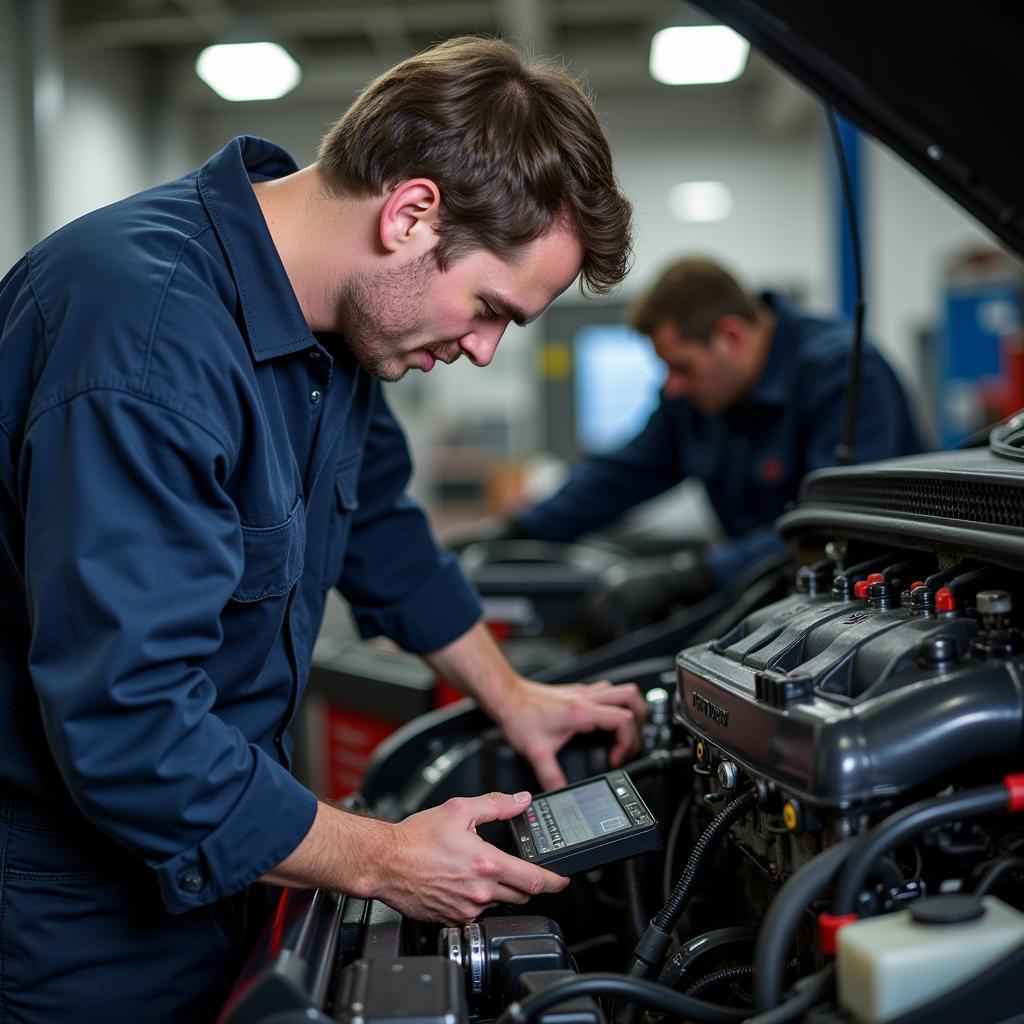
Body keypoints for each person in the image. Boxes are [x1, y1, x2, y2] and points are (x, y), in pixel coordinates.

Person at [0, 36, 646, 1023]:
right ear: (411, 213)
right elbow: (129, 722)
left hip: (229, 841)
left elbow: (378, 525)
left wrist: (513, 697)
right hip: (67, 898)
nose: (480, 349)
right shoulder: (145, 340)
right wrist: (383, 858)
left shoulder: (328, 332)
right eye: (488, 310)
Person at [465, 257, 925, 641]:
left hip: (873, 617)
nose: (672, 386)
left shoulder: (843, 375)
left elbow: (836, 532)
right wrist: (517, 530)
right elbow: (620, 475)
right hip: (766, 600)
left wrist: (691, 575)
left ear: (731, 337)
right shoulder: (696, 398)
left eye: (682, 367)